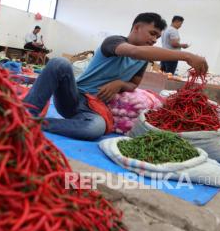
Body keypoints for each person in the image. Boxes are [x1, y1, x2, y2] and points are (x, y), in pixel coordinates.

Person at [23, 12, 208, 141]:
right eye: (152, 34)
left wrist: (119, 83)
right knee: (59, 64)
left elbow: (134, 85)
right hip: (73, 97)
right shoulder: (114, 42)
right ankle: (25, 115)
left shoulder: (143, 60)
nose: (153, 40)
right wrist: (187, 55)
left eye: (157, 37)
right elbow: (135, 52)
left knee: (95, 129)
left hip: (93, 108)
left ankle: (38, 123)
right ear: (136, 27)